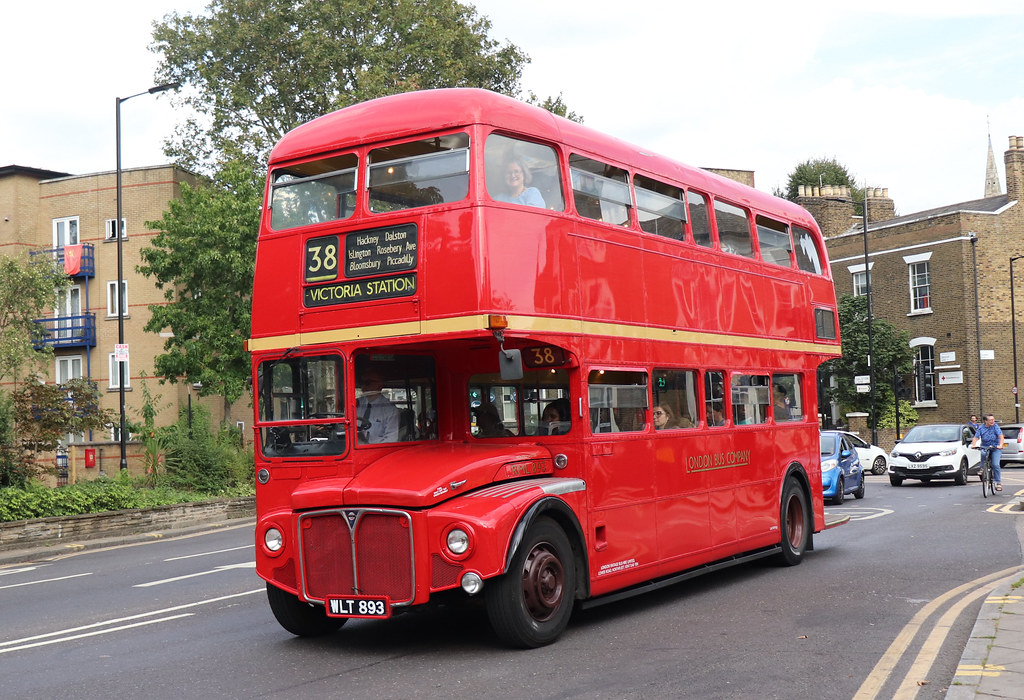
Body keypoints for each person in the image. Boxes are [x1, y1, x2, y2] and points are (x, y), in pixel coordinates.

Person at [355, 364, 399, 444]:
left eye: (368, 382)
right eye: (362, 382)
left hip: (376, 451)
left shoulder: (390, 410)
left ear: (380, 384)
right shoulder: (355, 404)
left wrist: (368, 441)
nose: (364, 386)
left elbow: (391, 439)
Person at [972, 413, 1006, 492]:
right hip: (985, 447)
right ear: (985, 421)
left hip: (995, 447)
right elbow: (976, 437)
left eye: (993, 419)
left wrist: (1000, 445)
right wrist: (974, 445)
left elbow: (1001, 436)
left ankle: (998, 483)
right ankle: (982, 468)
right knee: (983, 453)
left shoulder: (995, 426)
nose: (992, 421)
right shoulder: (981, 428)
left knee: (995, 464)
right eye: (990, 420)